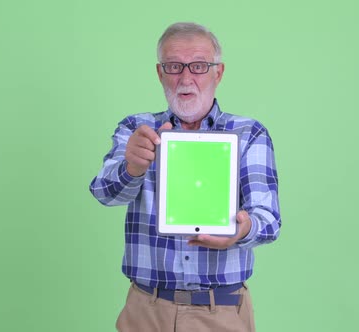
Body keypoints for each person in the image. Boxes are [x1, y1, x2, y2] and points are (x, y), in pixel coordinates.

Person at [89, 22, 281, 332]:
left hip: (222, 311)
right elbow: (103, 192)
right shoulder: (136, 129)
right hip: (145, 310)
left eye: (199, 66)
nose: (186, 77)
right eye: (175, 66)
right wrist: (131, 167)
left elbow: (269, 219)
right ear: (160, 72)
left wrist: (243, 230)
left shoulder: (249, 133)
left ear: (217, 73)